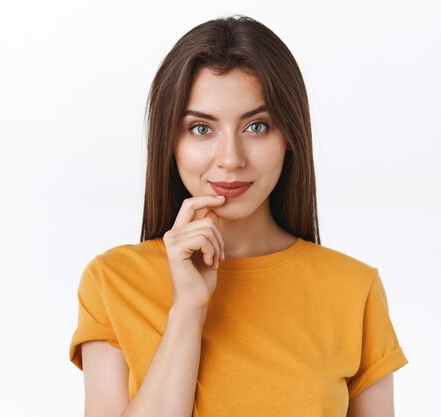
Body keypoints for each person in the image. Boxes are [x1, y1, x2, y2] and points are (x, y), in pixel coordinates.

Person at [68, 15, 408, 417]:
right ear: (170, 142)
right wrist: (188, 310)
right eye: (201, 129)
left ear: (289, 138)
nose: (230, 159)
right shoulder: (113, 282)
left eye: (257, 126)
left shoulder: (354, 290)